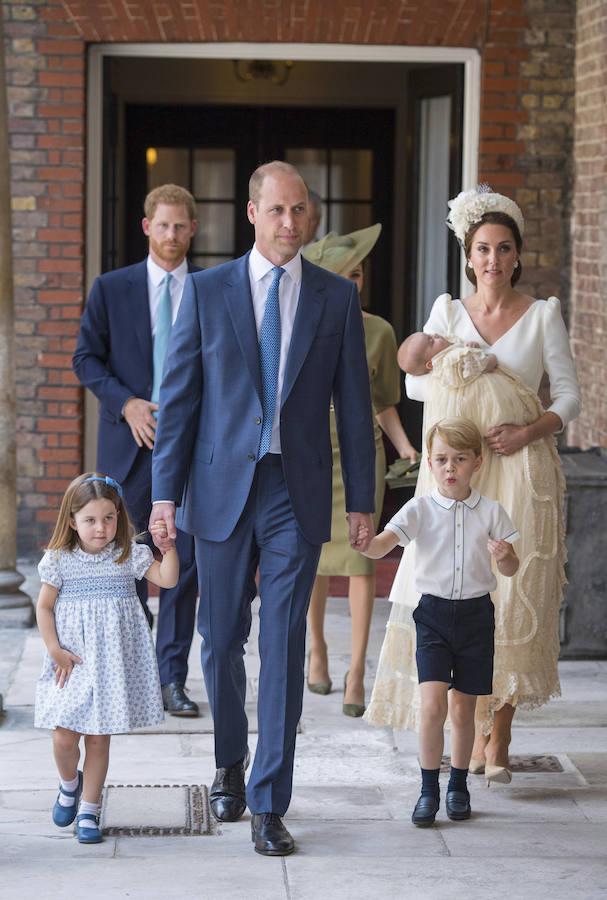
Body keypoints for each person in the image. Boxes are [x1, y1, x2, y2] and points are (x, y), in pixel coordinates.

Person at [149, 161, 376, 856]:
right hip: (216, 492)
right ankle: (228, 765)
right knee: (219, 641)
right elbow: (179, 396)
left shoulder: (334, 300)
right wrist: (163, 494)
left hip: (293, 492)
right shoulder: (209, 290)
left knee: (281, 646)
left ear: (309, 216)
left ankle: (270, 801)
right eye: (276, 211)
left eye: (299, 211)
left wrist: (363, 501)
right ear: (251, 214)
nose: (289, 223)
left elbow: (355, 410)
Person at [365, 185, 581, 783]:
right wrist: (438, 360)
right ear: (469, 255)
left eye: (503, 249)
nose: (492, 259)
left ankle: (500, 735)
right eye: (482, 248)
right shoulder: (447, 313)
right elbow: (413, 380)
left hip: (520, 468)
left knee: (512, 592)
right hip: (458, 470)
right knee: (456, 588)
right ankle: (469, 725)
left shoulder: (543, 316)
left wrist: (530, 430)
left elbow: (569, 396)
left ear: (517, 256)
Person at [72, 184, 201, 718]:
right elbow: (85, 358)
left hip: (191, 449)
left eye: (181, 226)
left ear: (193, 229)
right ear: (147, 226)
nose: (172, 235)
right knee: (122, 558)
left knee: (179, 561)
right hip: (128, 448)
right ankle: (131, 667)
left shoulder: (210, 289)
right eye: (163, 225)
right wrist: (126, 404)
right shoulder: (111, 288)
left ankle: (172, 677)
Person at [360, 418, 519, 825]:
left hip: (475, 617)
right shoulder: (420, 509)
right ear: (429, 464)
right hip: (431, 615)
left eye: (460, 459)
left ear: (477, 463)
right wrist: (365, 541)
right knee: (431, 705)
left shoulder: (491, 511)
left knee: (463, 710)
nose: (450, 468)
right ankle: (428, 787)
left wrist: (503, 556)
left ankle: (458, 784)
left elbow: (511, 566)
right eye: (442, 460)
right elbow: (383, 545)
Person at [302, 226, 418, 715]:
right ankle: (318, 652)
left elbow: (386, 403)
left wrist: (408, 450)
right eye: (342, 274)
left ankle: (356, 672)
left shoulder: (381, 332)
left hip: (360, 457)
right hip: (310, 455)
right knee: (310, 559)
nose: (354, 281)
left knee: (361, 558)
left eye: (358, 272)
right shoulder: (300, 324)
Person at [35, 473, 178, 844]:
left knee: (99, 739)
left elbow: (167, 580)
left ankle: (89, 809)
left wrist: (169, 548)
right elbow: (45, 608)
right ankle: (70, 784)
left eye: (109, 519)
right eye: (91, 520)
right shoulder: (60, 560)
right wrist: (54, 650)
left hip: (112, 663)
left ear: (119, 517)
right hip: (73, 661)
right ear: (72, 521)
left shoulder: (128, 552)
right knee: (64, 735)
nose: (101, 528)